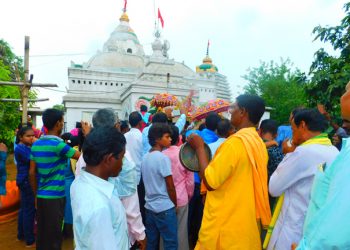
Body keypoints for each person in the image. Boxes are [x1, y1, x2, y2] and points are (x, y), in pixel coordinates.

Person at [188, 94, 271, 249]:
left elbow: (211, 181)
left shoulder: (235, 143)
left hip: (226, 227)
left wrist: (200, 148)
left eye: (233, 107)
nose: (229, 111)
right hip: (245, 223)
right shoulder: (257, 142)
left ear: (243, 112)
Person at [267, 109, 339, 250]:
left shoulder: (304, 152)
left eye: (293, 129)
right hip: (312, 230)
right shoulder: (334, 151)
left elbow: (273, 188)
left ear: (303, 125)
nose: (292, 135)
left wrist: (288, 155)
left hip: (291, 230)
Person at [296, 83, 350, 249]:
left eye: (347, 90)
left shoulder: (302, 152)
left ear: (303, 126)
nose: (344, 95)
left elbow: (332, 239)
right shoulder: (337, 150)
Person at [29, 108, 80, 250]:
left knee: (42, 233)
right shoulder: (59, 145)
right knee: (55, 235)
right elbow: (80, 156)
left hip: (41, 195)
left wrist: (35, 194)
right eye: (62, 122)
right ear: (58, 123)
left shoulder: (36, 145)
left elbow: (32, 173)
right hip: (56, 196)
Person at [71, 127, 129, 249]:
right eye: (122, 157)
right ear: (109, 159)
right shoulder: (99, 207)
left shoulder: (79, 182)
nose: (123, 163)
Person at [141, 123, 178, 250]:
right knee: (170, 243)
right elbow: (170, 186)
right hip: (165, 207)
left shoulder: (145, 157)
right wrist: (175, 204)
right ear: (157, 139)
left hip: (149, 207)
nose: (170, 139)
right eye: (167, 137)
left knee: (152, 242)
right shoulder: (162, 158)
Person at [163, 125, 194, 250]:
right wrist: (189, 195)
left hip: (165, 199)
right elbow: (190, 181)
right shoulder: (184, 154)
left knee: (166, 232)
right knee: (181, 231)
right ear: (179, 138)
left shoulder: (161, 155)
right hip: (181, 197)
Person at [14, 126, 36, 247]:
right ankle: (29, 240)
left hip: (24, 181)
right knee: (29, 210)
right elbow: (32, 159)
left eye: (33, 135)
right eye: (28, 136)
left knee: (24, 209)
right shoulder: (20, 149)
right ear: (21, 137)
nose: (32, 138)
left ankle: (21, 235)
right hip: (26, 181)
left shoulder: (25, 147)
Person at [258, 119, 284, 211]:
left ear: (260, 131)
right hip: (270, 193)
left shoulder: (253, 147)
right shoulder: (277, 151)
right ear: (276, 134)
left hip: (254, 192)